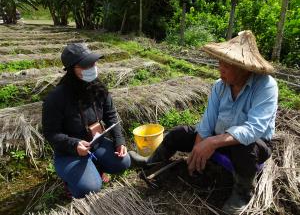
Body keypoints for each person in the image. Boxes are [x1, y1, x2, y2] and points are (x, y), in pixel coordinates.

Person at [129, 30, 278, 214]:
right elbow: (207, 123)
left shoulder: (265, 86)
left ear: (244, 67)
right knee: (179, 133)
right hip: (219, 136)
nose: (220, 68)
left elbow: (254, 129)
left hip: (254, 144)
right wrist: (198, 151)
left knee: (244, 147)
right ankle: (151, 162)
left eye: (227, 64)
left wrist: (212, 142)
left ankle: (242, 192)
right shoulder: (219, 86)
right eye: (220, 62)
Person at [42, 43, 131, 198]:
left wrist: (119, 140)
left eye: (93, 62)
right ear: (71, 70)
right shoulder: (56, 98)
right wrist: (74, 144)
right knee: (89, 188)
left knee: (124, 162)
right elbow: (51, 133)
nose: (92, 67)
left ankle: (96, 166)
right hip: (69, 152)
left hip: (96, 143)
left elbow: (110, 115)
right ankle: (71, 184)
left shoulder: (98, 88)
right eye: (86, 65)